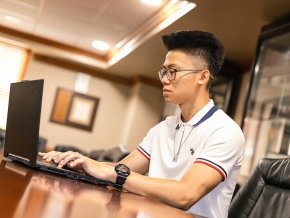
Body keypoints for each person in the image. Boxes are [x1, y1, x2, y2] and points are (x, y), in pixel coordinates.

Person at [39, 30, 245, 218]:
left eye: (173, 71)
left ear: (202, 76)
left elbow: (185, 194)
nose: (165, 79)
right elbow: (123, 169)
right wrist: (81, 163)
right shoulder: (163, 129)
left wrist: (111, 172)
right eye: (164, 71)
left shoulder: (225, 131)